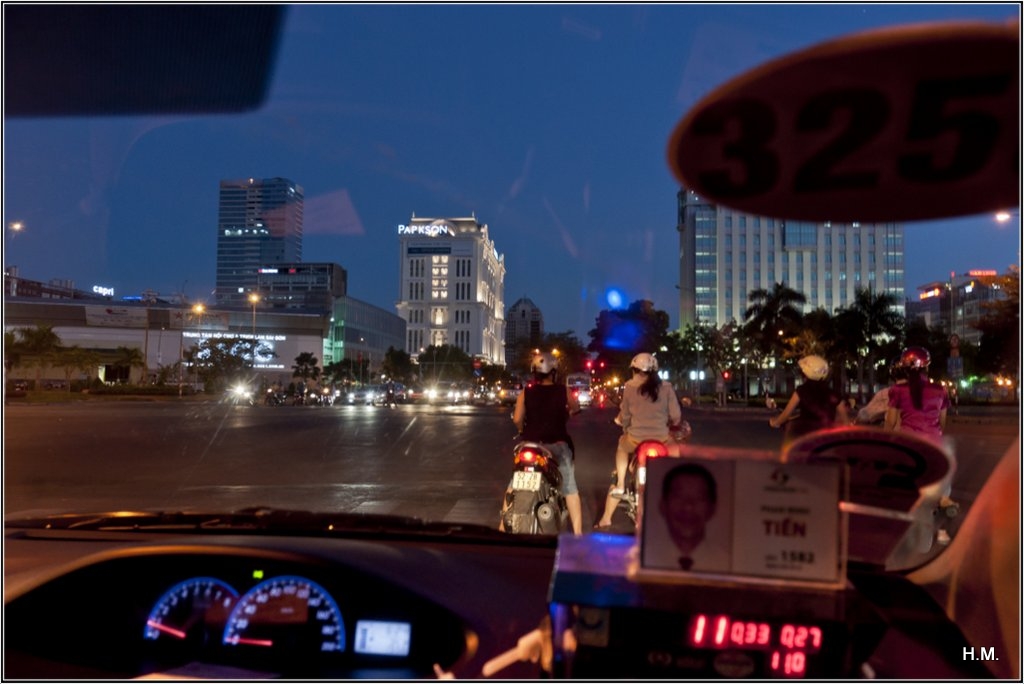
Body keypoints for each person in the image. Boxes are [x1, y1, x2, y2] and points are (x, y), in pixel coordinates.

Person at [594, 352, 684, 530]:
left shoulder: (629, 386)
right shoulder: (666, 387)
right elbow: (676, 416)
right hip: (661, 439)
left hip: (635, 439)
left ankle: (618, 489)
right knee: (675, 450)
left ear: (634, 370)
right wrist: (672, 423)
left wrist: (622, 423)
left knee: (622, 445)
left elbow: (625, 415)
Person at [512, 351, 582, 534]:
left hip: (530, 445)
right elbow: (575, 407)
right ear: (554, 372)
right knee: (570, 489)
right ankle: (578, 535)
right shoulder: (563, 391)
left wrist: (522, 431)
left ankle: (502, 529)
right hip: (557, 445)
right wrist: (570, 411)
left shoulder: (526, 392)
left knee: (512, 487)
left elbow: (517, 419)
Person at [769, 354, 850, 447]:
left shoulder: (801, 391)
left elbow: (786, 413)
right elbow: (845, 421)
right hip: (827, 435)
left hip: (805, 434)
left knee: (789, 428)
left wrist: (775, 422)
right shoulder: (834, 393)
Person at [658, 462, 719, 571]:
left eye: (699, 498)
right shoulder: (644, 558)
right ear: (663, 505)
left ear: (712, 509)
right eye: (679, 496)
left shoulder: (727, 562)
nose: (688, 507)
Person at [884, 347, 950, 446]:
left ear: (905, 369)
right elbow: (942, 423)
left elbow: (890, 422)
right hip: (933, 443)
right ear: (926, 368)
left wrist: (884, 443)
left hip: (907, 442)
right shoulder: (941, 390)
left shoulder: (897, 390)